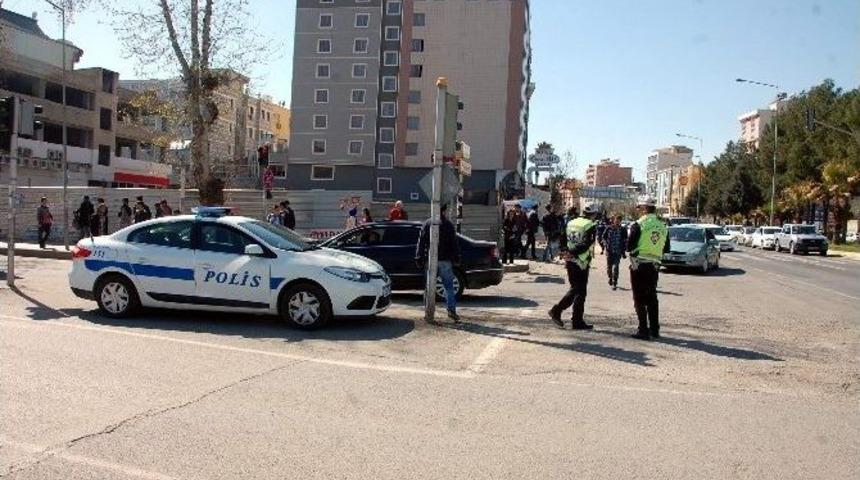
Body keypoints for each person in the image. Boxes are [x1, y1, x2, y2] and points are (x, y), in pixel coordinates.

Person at [548, 203, 599, 330]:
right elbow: (586, 244)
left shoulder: (571, 222)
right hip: (581, 260)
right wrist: (572, 252)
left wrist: (565, 251)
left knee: (579, 291)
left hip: (570, 260)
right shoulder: (590, 225)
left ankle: (577, 320)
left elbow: (562, 238)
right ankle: (557, 310)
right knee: (578, 289)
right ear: (593, 214)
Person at [626, 196, 670, 340]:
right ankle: (655, 330)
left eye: (639, 208)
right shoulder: (663, 225)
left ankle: (643, 330)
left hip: (639, 265)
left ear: (644, 208)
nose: (639, 211)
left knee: (639, 298)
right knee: (652, 298)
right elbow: (667, 248)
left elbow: (629, 246)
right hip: (654, 266)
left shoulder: (639, 224)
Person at [415, 204, 461, 323]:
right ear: (444, 211)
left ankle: (428, 312)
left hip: (431, 260)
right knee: (449, 287)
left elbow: (421, 242)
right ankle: (451, 310)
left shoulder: (427, 223)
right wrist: (456, 257)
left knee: (429, 287)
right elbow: (454, 244)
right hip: (445, 260)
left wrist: (419, 257)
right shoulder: (448, 225)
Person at [602, 214, 628, 290]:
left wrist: (624, 251)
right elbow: (603, 237)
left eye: (619, 221)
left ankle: (614, 282)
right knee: (609, 267)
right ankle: (610, 277)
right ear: (614, 220)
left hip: (618, 251)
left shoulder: (623, 230)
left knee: (616, 267)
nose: (617, 222)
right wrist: (605, 245)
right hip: (609, 250)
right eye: (616, 220)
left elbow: (625, 240)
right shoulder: (609, 228)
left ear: (620, 221)